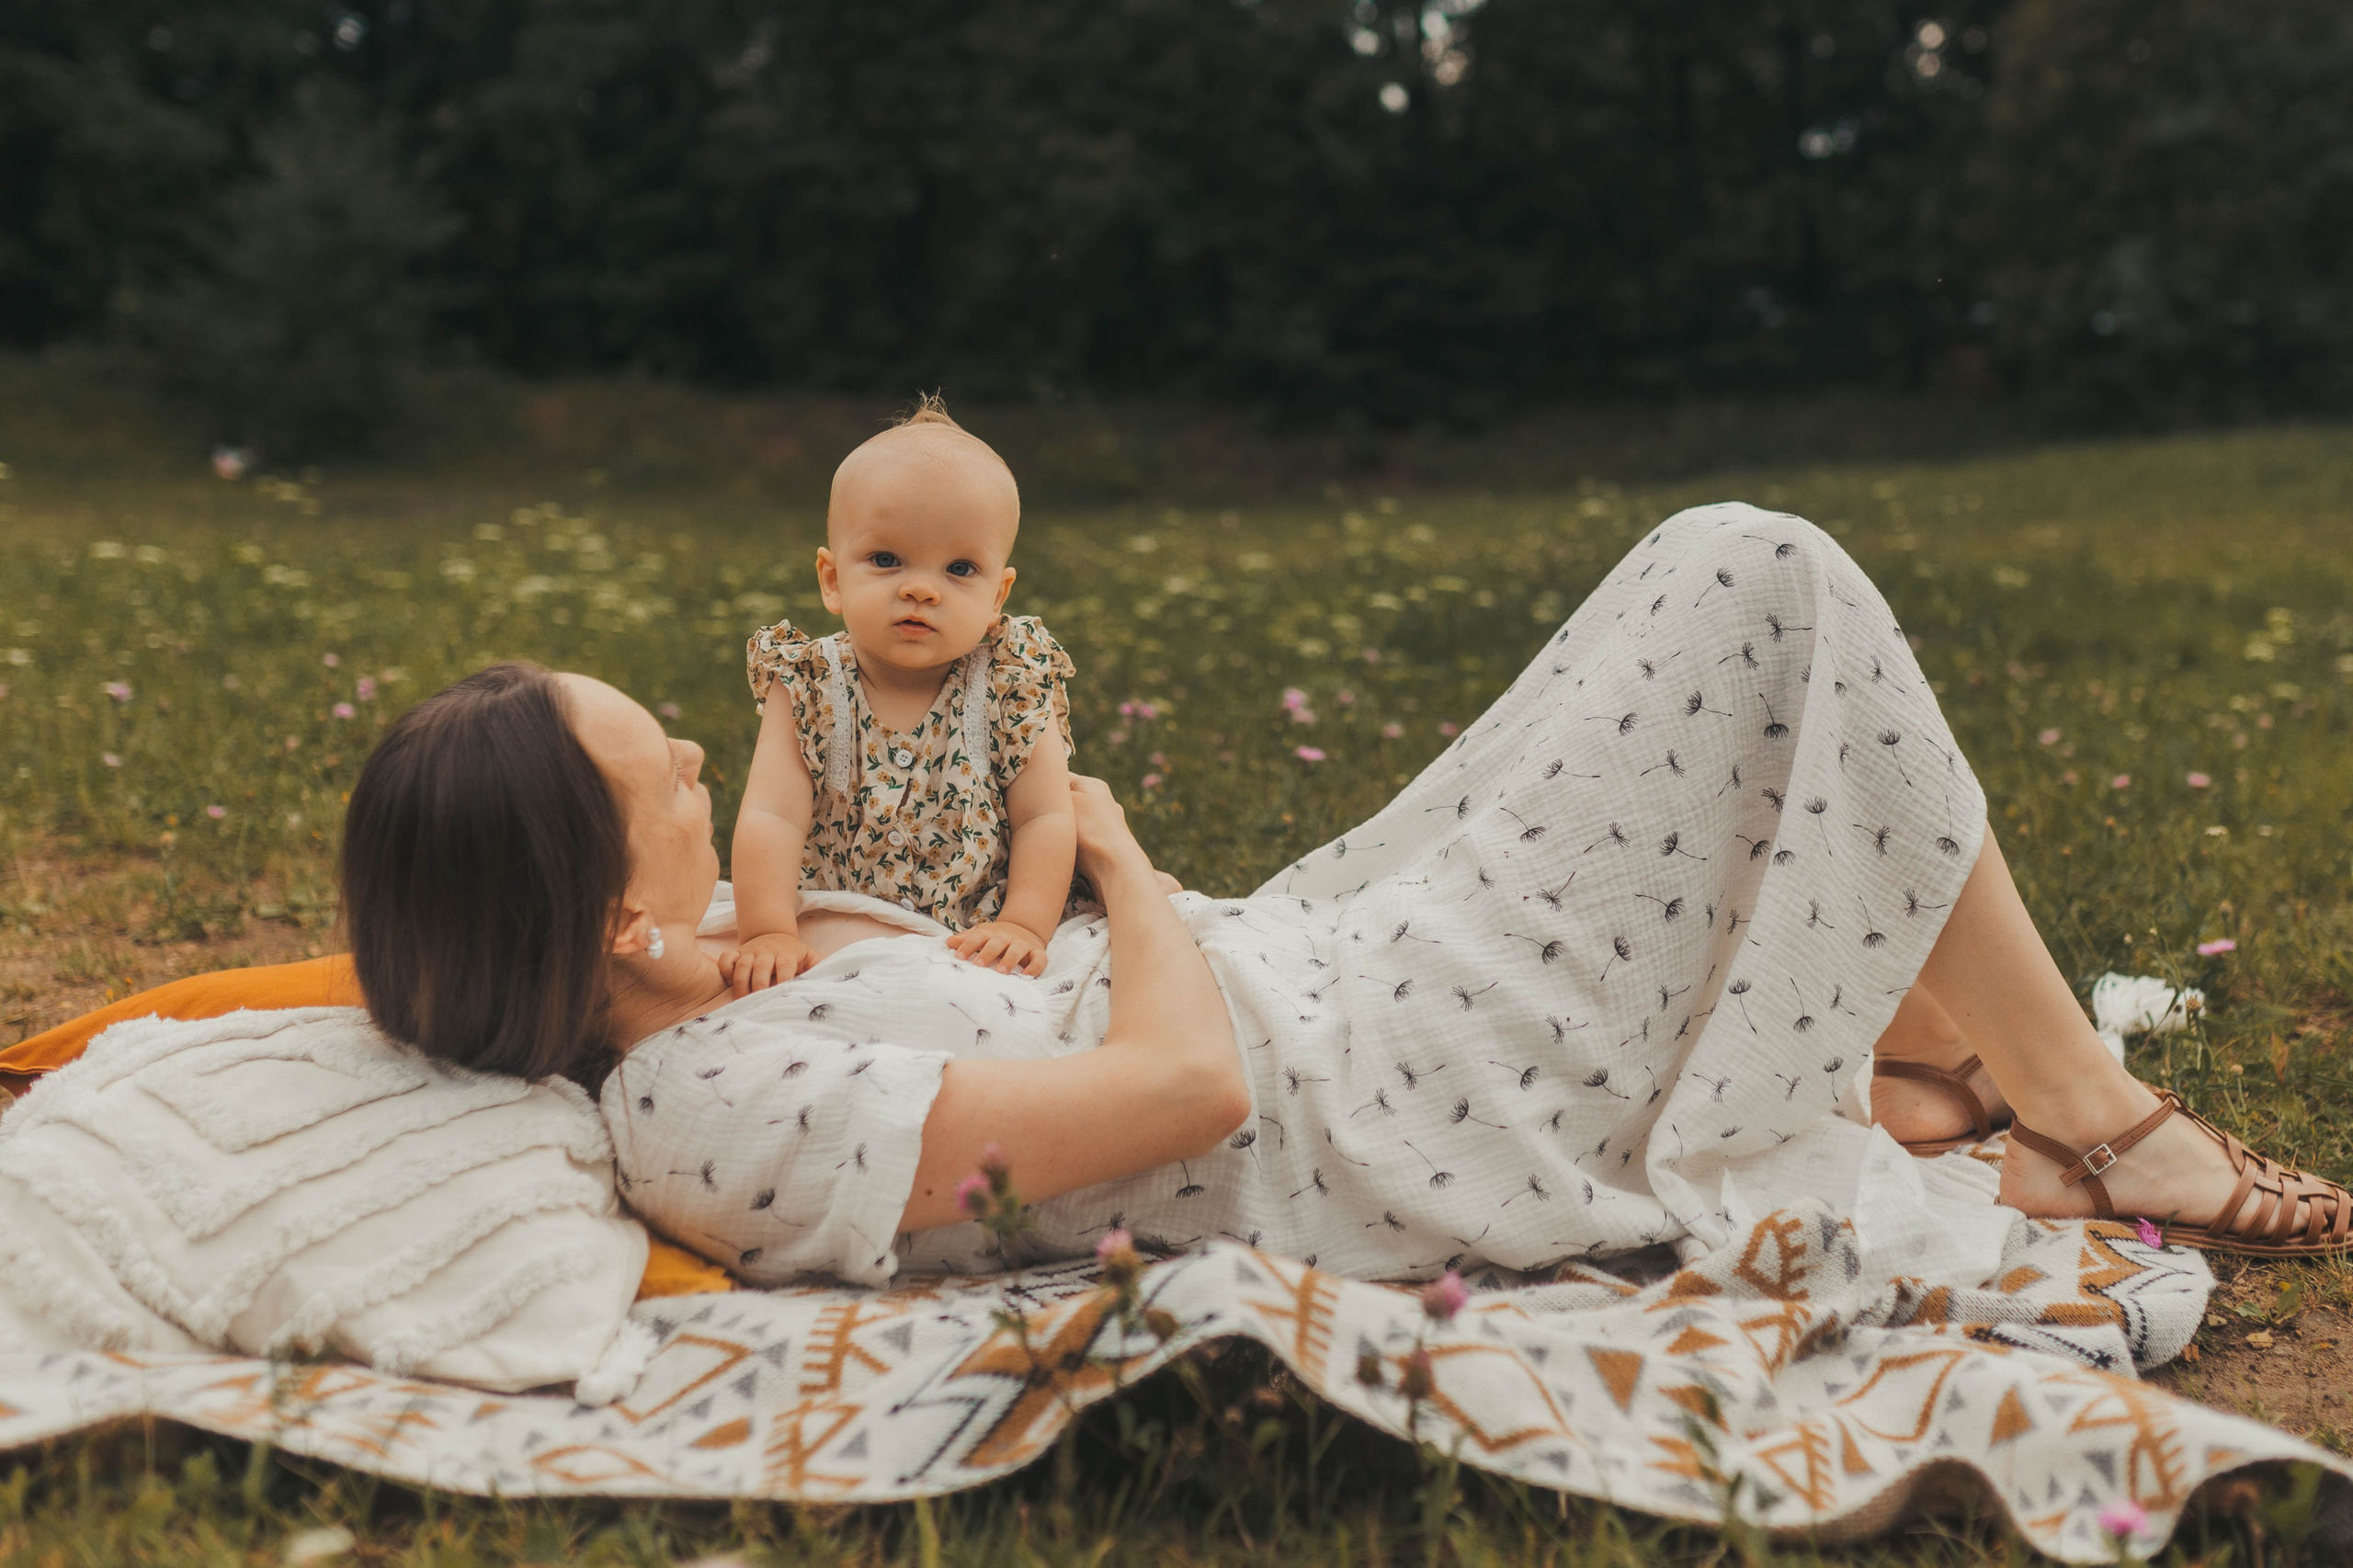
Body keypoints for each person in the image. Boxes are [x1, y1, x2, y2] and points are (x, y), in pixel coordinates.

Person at [726, 395, 1078, 987]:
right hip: (841, 923)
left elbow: (1044, 816)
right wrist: (767, 930)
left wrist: (1023, 924)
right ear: (832, 579)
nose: (921, 589)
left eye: (959, 569)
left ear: (998, 596)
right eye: (887, 559)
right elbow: (771, 815)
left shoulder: (1008, 683)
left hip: (975, 930)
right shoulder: (809, 684)